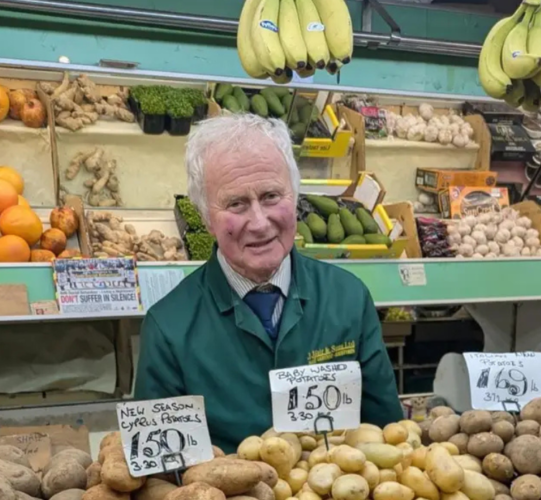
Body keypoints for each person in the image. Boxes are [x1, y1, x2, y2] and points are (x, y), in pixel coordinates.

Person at [135, 113, 402, 452]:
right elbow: (162, 472)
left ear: (295, 195)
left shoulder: (348, 299)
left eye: (271, 196)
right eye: (236, 203)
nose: (259, 223)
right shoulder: (168, 328)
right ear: (204, 216)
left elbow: (388, 432)